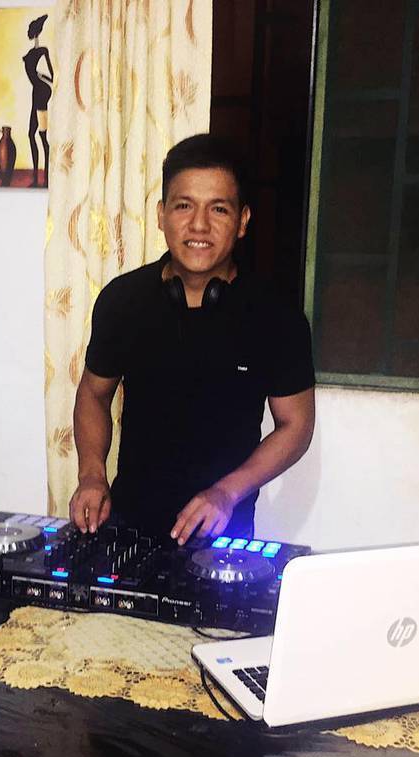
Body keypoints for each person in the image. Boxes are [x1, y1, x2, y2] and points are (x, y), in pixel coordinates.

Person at [70, 134, 315, 546]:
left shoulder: (277, 316)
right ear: (161, 215)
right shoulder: (122, 300)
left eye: (218, 209)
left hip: (223, 534)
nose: (199, 225)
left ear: (242, 221)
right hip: (128, 528)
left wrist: (227, 492)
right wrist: (91, 475)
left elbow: (297, 425)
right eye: (184, 206)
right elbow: (94, 394)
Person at [23, 15, 53, 188]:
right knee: (32, 134)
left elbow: (52, 74)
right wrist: (45, 78)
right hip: (38, 92)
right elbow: (45, 75)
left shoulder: (41, 51)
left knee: (41, 135)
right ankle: (37, 177)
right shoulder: (34, 53)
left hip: (41, 92)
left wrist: (48, 80)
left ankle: (45, 178)